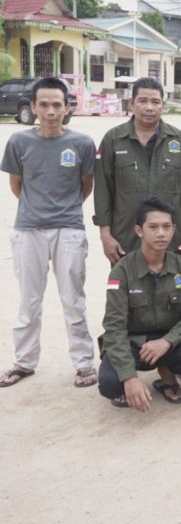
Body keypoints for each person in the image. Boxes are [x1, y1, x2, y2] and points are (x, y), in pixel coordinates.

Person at [0, 77, 97, 388]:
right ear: (33, 106)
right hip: (28, 230)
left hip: (69, 229)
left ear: (67, 107)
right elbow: (17, 184)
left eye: (57, 104)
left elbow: (85, 186)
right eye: (44, 104)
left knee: (73, 300)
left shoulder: (82, 143)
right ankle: (24, 362)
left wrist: (63, 210)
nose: (50, 111)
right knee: (29, 301)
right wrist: (37, 210)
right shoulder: (19, 142)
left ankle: (83, 363)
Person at [97, 197, 181, 411]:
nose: (161, 233)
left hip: (169, 342)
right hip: (134, 344)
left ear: (173, 229)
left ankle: (166, 372)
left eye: (166, 227)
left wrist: (167, 341)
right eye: (153, 227)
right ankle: (131, 382)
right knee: (110, 384)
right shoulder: (121, 271)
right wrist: (129, 377)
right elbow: (114, 327)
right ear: (139, 230)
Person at [94, 76, 181, 265]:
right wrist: (105, 235)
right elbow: (103, 191)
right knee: (125, 284)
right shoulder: (113, 140)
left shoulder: (178, 140)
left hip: (170, 241)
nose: (149, 107)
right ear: (131, 103)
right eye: (142, 101)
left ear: (163, 105)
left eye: (155, 102)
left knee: (173, 284)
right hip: (125, 241)